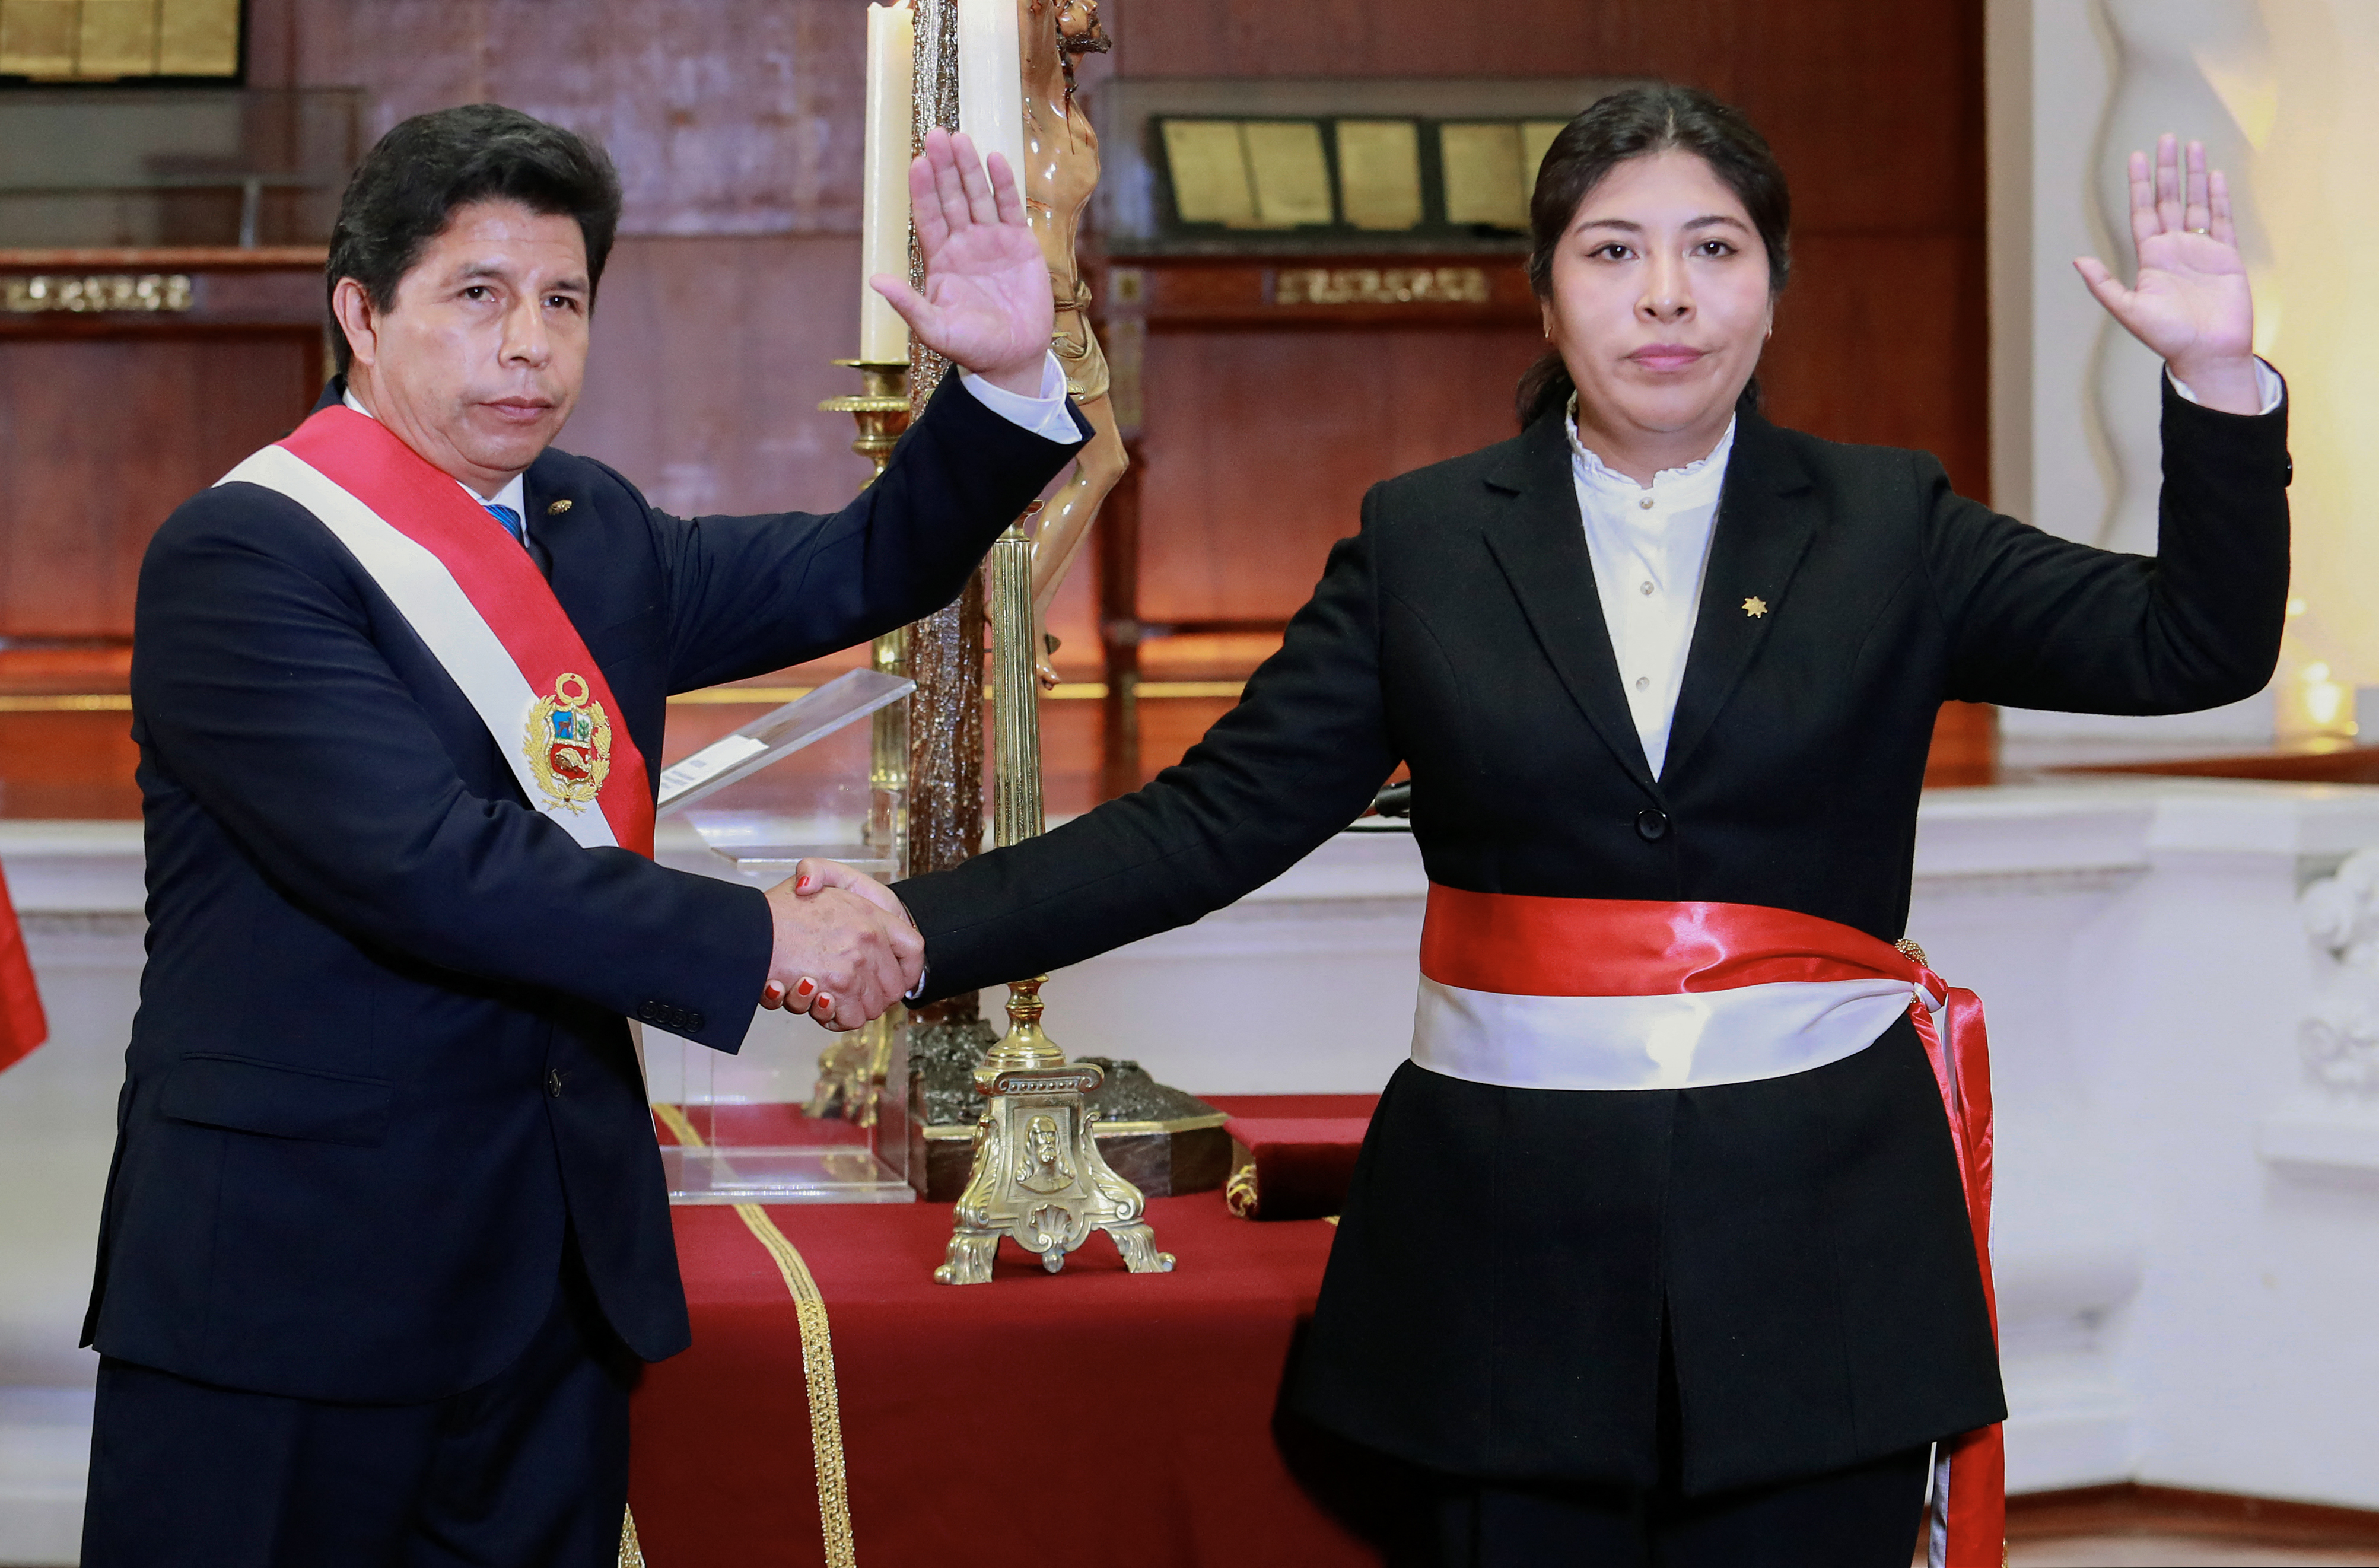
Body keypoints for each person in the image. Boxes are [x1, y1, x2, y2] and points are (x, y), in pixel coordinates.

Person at [807, 85, 2288, 1566]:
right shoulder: (1428, 540)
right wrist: (922, 924)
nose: (1665, 296)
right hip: (1501, 1260)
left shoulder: (1891, 524)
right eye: (1611, 251)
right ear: (1545, 292)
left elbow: (2190, 648)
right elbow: (1212, 820)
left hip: (1818, 1250)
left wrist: (2218, 383)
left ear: (1772, 287)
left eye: (1712, 249)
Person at [78, 104, 1082, 1566]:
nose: (529, 343)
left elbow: (861, 560)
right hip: (295, 1285)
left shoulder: (586, 524)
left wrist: (998, 384)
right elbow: (432, 864)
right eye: (477, 297)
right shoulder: (242, 555)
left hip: (552, 1280)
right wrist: (765, 940)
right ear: (361, 313)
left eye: (563, 301)